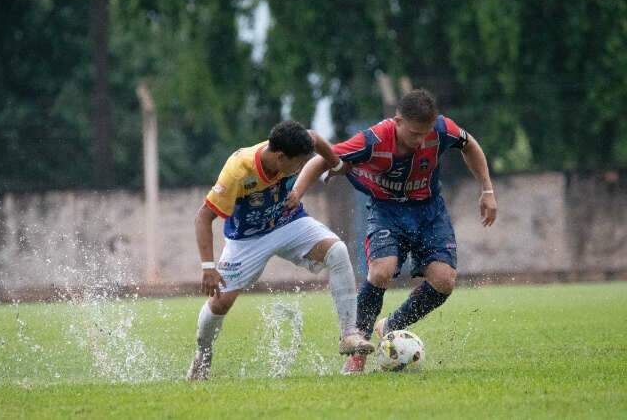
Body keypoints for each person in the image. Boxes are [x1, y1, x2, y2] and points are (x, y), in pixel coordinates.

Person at [289, 89, 498, 373]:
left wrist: (487, 189)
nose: (420, 141)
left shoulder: (442, 129)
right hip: (387, 211)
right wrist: (297, 194)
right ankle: (358, 349)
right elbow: (320, 159)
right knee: (380, 272)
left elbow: (469, 144)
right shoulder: (373, 139)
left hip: (429, 211)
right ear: (397, 121)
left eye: (425, 134)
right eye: (414, 134)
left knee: (445, 281)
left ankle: (391, 326)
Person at [187, 120, 374, 381]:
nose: (299, 168)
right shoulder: (238, 170)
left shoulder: (294, 145)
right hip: (247, 240)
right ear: (279, 156)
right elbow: (203, 218)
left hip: (289, 221)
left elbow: (316, 139)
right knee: (221, 303)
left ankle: (349, 334)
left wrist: (337, 164)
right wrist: (208, 268)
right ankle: (202, 357)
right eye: (296, 163)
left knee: (338, 251)